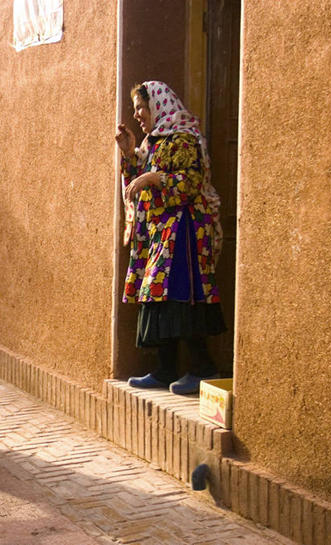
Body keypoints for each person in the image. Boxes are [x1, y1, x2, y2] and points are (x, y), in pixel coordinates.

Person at [115, 81, 226, 395]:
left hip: (184, 232)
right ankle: (165, 370)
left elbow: (191, 182)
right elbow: (136, 185)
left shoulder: (184, 138)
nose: (137, 114)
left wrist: (154, 177)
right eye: (136, 108)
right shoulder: (153, 143)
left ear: (158, 105)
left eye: (141, 107)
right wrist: (129, 153)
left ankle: (203, 368)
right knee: (158, 296)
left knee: (181, 296)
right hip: (160, 233)